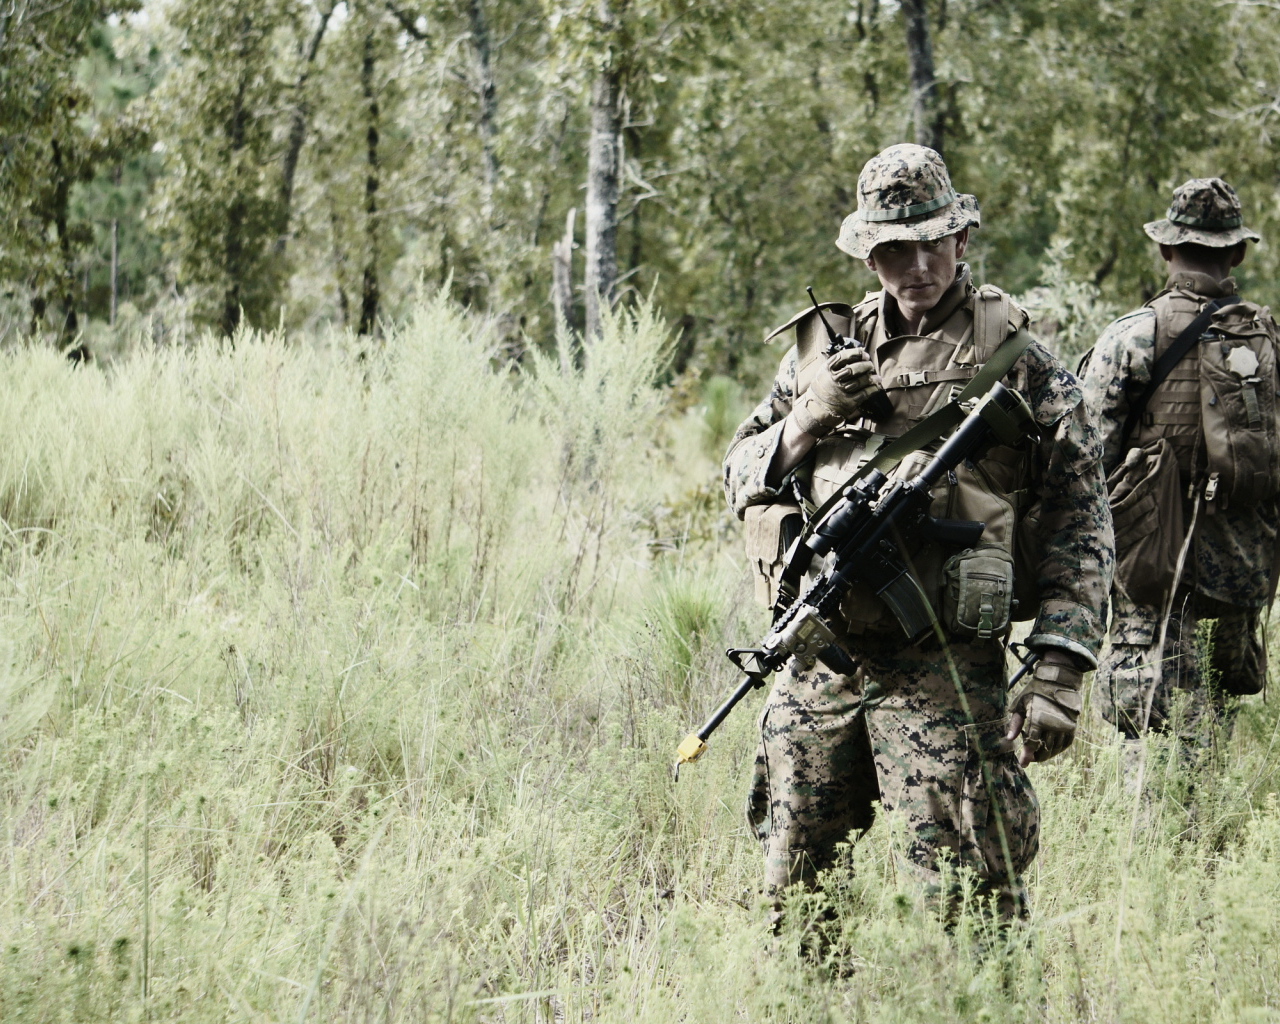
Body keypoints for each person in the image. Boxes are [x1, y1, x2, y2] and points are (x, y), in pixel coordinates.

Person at [723, 143, 1113, 921]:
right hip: (822, 661)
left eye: (933, 242)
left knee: (970, 904)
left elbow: (1081, 512)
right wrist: (808, 416)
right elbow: (740, 476)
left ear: (961, 240)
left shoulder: (1015, 356)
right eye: (895, 248)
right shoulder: (825, 354)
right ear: (870, 254)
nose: (917, 264)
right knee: (794, 898)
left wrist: (1061, 664)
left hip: (946, 668)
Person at [1080, 178, 1279, 747]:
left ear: (1167, 248)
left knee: (1149, 743)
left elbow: (1086, 463)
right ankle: (1208, 837)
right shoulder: (1270, 342)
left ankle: (1160, 839)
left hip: (1154, 568)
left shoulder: (1131, 339)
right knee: (1212, 733)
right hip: (1243, 572)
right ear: (1238, 251)